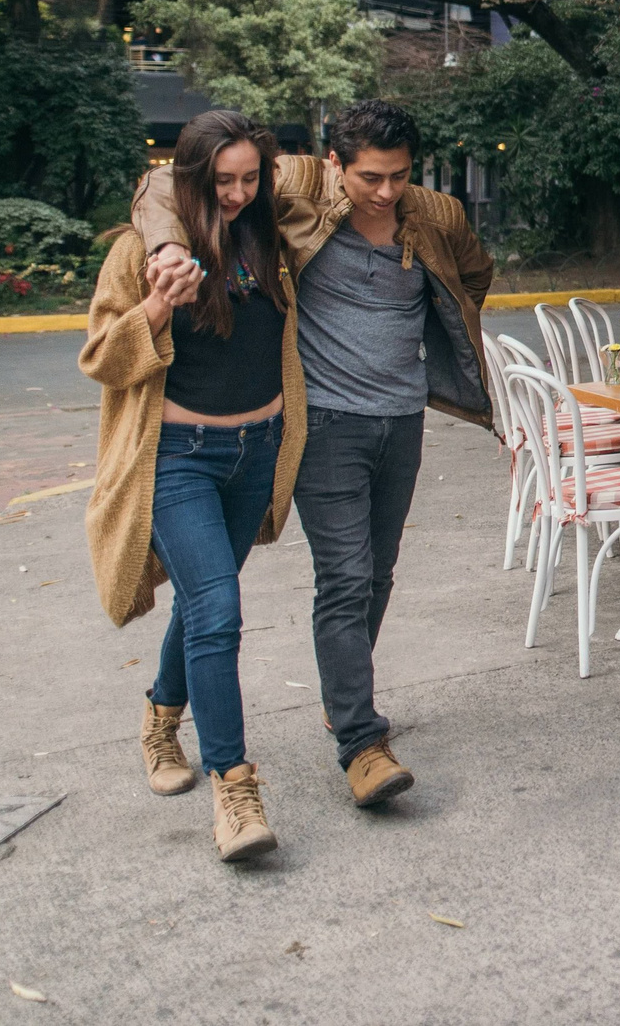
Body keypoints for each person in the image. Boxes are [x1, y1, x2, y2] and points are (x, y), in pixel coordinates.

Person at [133, 99, 495, 810]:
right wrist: (165, 248)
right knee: (344, 576)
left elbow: (473, 275)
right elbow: (163, 185)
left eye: (397, 175)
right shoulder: (297, 185)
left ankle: (342, 691)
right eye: (369, 176)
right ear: (336, 164)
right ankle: (361, 742)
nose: (385, 191)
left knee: (378, 574)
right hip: (323, 422)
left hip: (402, 418)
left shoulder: (437, 215)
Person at [81, 110, 302, 863]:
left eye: (250, 177)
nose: (238, 193)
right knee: (218, 606)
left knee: (206, 599)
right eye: (222, 180)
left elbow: (328, 176)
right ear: (190, 179)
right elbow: (103, 359)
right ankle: (235, 790)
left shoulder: (272, 229)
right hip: (179, 454)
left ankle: (159, 715)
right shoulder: (141, 250)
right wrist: (154, 304)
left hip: (257, 449)